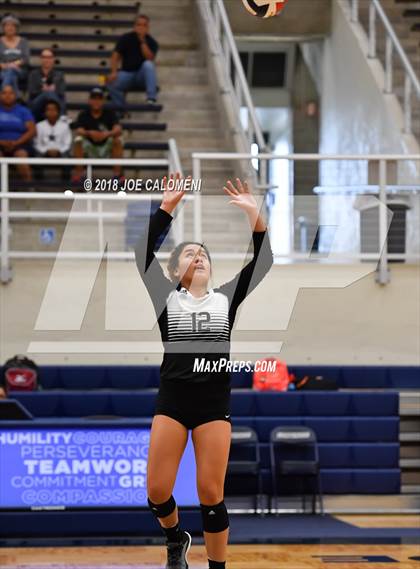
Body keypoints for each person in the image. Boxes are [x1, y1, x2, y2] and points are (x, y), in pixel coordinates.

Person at [134, 174, 273, 569]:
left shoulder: (226, 299)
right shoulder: (165, 298)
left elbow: (263, 260)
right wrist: (167, 207)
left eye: (203, 254)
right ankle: (176, 538)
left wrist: (254, 215)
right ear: (176, 269)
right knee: (157, 492)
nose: (198, 258)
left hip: (213, 402)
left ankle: (217, 568)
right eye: (190, 254)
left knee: (211, 492)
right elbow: (141, 251)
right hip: (174, 399)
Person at [72, 87, 123, 183]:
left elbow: (118, 129)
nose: (96, 101)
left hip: (106, 147)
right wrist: (90, 133)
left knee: (117, 140)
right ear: (89, 100)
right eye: (94, 98)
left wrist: (106, 134)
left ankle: (117, 175)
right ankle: (79, 175)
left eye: (99, 99)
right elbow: (79, 130)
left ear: (103, 101)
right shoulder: (84, 114)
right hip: (90, 147)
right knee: (78, 140)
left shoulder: (110, 113)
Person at [107, 14, 159, 108]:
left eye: (144, 25)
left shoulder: (152, 42)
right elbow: (115, 56)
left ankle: (151, 97)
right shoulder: (126, 38)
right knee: (110, 82)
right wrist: (114, 72)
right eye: (139, 24)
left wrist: (142, 41)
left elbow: (150, 58)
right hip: (127, 73)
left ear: (148, 27)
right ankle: (121, 108)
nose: (141, 27)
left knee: (148, 64)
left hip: (142, 77)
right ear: (134, 26)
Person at [0, 84, 35, 181]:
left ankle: (29, 188)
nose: (7, 96)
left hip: (20, 144)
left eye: (11, 93)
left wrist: (16, 143)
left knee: (21, 155)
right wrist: (2, 142)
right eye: (4, 93)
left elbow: (32, 130)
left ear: (15, 95)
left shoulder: (23, 111)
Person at [28, 48, 66, 121]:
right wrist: (42, 91)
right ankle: (62, 118)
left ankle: (61, 117)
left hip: (54, 103)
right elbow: (32, 91)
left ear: (53, 59)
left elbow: (61, 92)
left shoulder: (59, 75)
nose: (47, 60)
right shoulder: (33, 74)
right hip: (37, 104)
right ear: (41, 59)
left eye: (49, 57)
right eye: (44, 57)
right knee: (47, 93)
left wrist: (54, 90)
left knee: (51, 94)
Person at [0, 14, 30, 94]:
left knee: (11, 71)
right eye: (7, 25)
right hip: (3, 70)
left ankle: (3, 97)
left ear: (16, 28)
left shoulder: (23, 41)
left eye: (13, 25)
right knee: (12, 76)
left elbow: (26, 59)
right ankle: (16, 99)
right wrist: (4, 66)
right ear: (3, 28)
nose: (10, 28)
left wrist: (14, 65)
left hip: (20, 70)